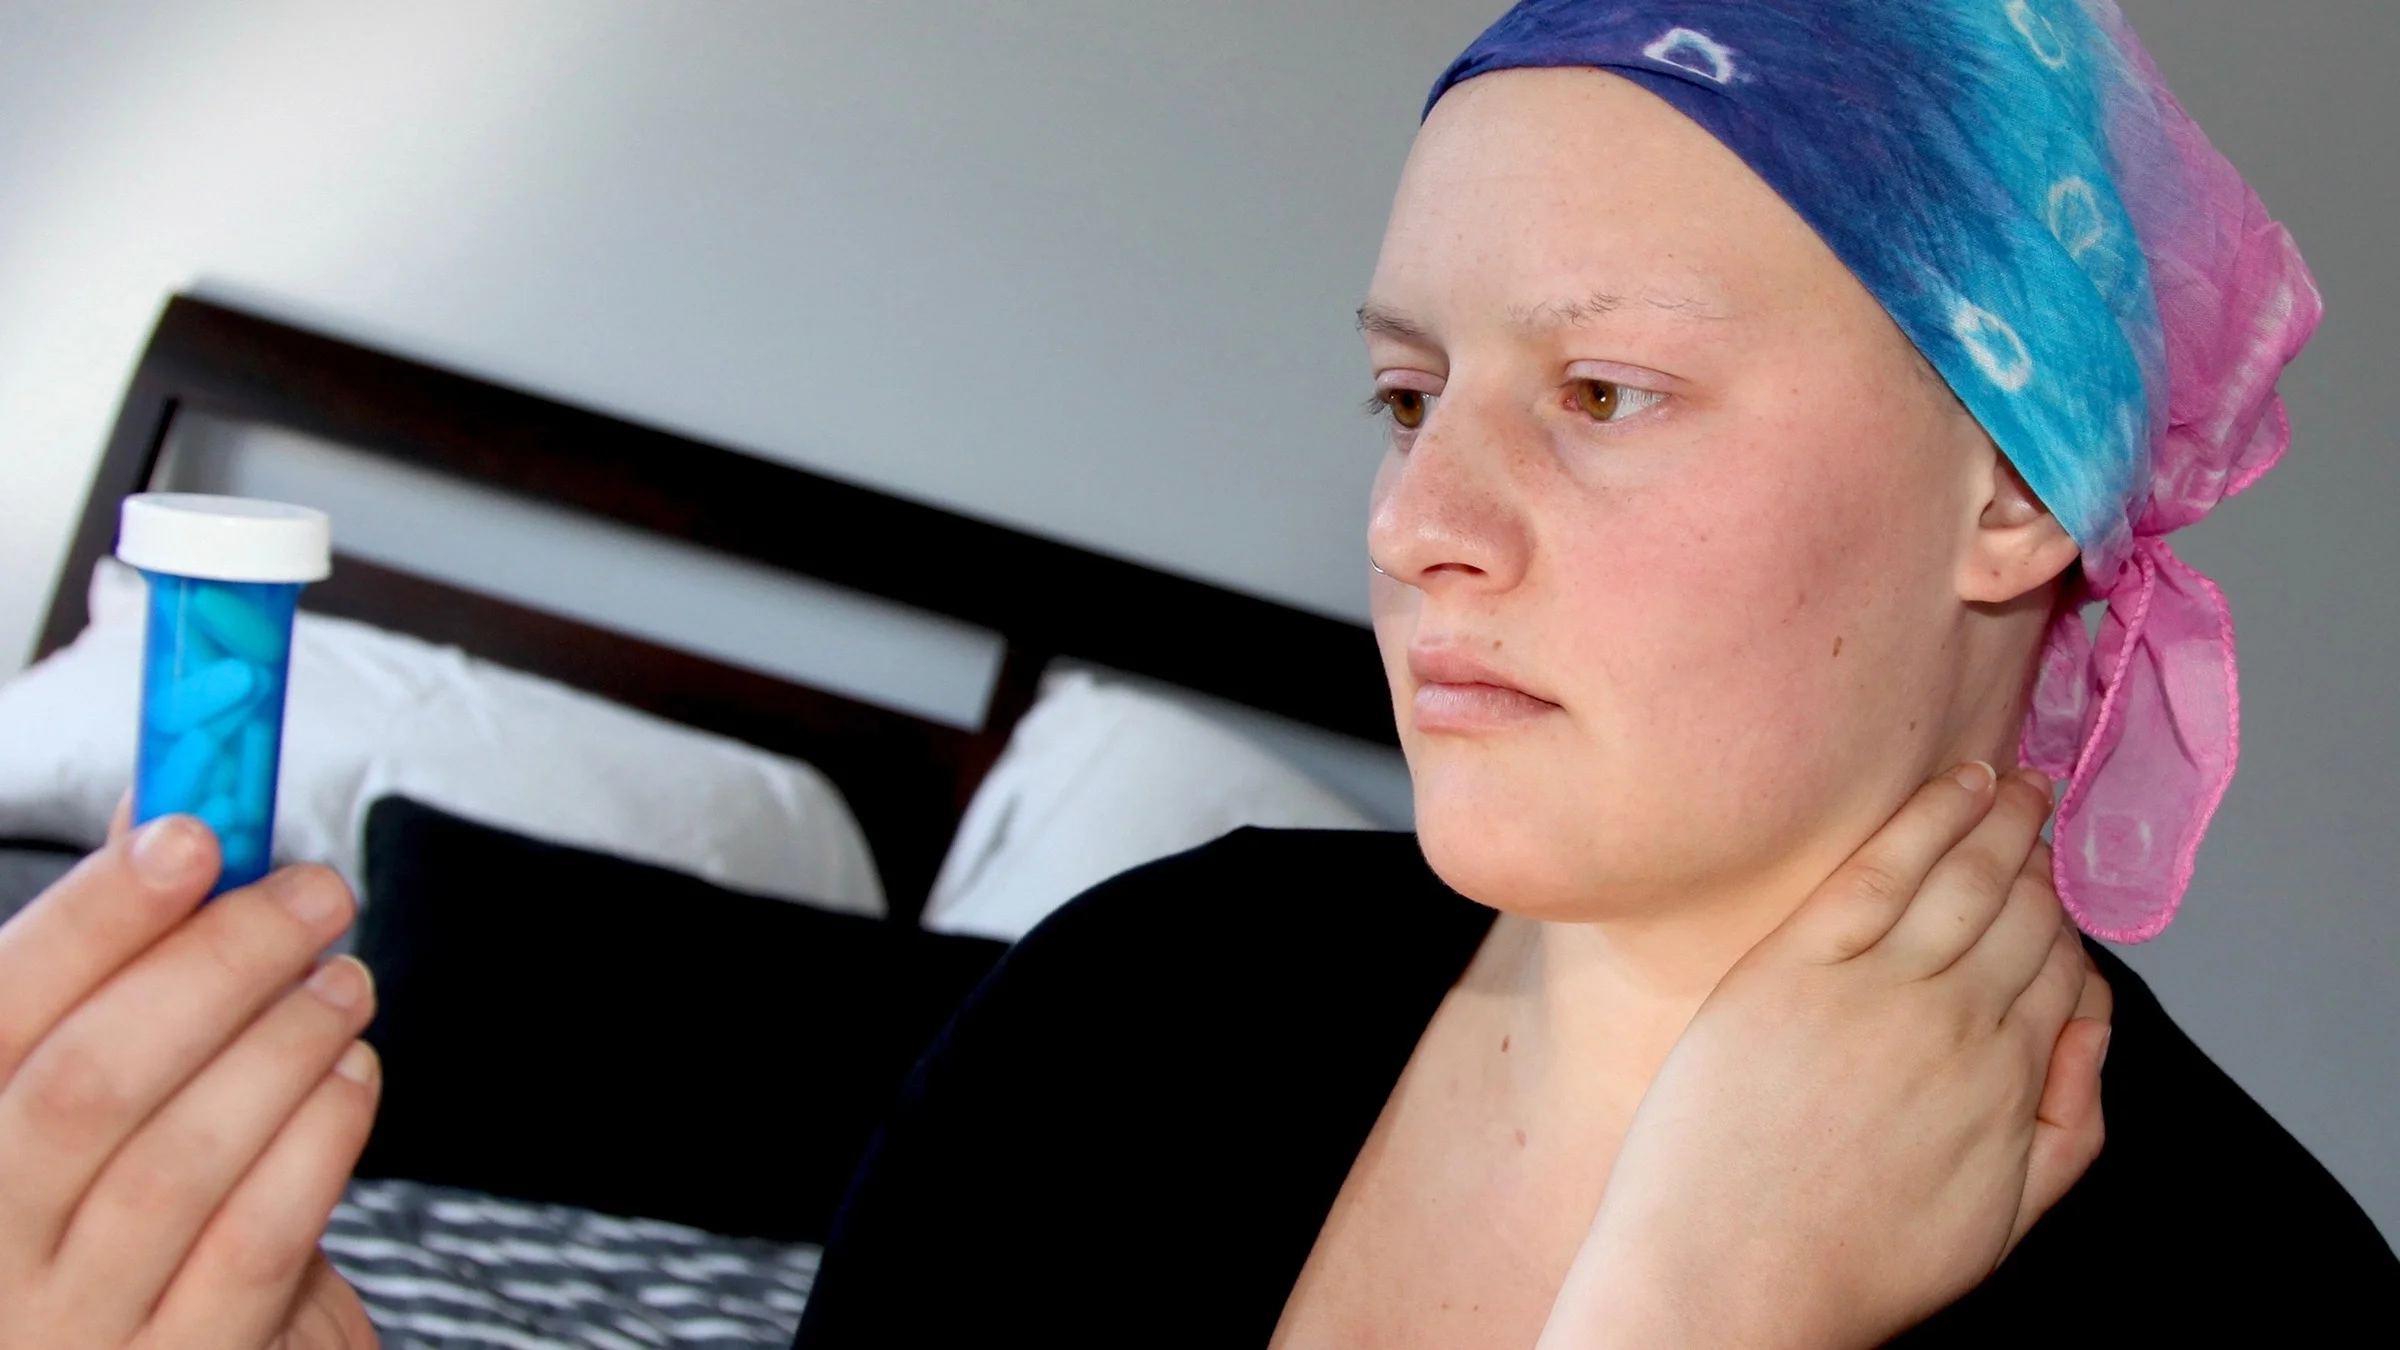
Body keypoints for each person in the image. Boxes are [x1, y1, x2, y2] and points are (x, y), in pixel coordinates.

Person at [0, 4, 2389, 1349]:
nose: (1413, 519)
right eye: (1402, 392)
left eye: (1604, 392)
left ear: (2017, 490)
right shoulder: (1157, 991)